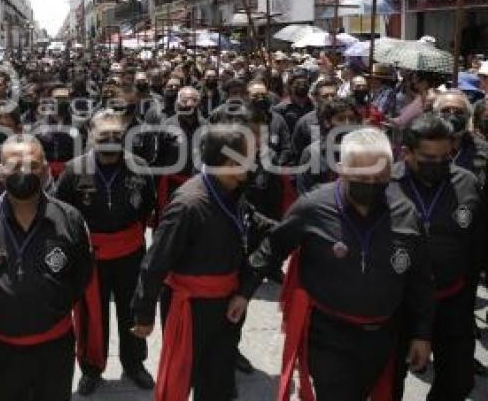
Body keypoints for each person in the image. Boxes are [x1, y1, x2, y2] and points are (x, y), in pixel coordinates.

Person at [236, 128, 434, 401]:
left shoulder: (406, 214)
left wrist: (422, 333)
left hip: (384, 336)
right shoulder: (313, 207)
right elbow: (273, 247)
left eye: (380, 177)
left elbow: (420, 279)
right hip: (329, 336)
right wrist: (243, 292)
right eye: (362, 176)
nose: (372, 183)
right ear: (342, 169)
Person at [131, 119, 275, 401]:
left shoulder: (234, 192)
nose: (255, 159)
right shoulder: (189, 204)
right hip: (191, 307)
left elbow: (255, 224)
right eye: (249, 154)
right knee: (182, 376)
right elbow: (156, 261)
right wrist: (143, 313)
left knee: (218, 378)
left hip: (228, 302)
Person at [0, 134, 93, 401]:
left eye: (32, 164)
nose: (24, 171)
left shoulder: (70, 219)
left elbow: (82, 276)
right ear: (0, 172)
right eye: (14, 165)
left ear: (45, 170)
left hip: (54, 347)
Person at [55, 111, 156, 395]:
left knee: (132, 310)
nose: (110, 140)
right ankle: (91, 368)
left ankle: (134, 364)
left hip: (130, 252)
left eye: (116, 135)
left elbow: (147, 206)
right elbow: (62, 211)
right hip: (90, 256)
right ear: (91, 136)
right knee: (91, 315)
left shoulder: (139, 166)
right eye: (103, 136)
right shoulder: (74, 170)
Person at [391, 115, 484, 400]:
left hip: (452, 300)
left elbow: (479, 240)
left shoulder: (466, 182)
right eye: (428, 158)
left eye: (445, 156)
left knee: (459, 380)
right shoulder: (385, 184)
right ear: (407, 153)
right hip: (400, 304)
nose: (439, 164)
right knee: (390, 381)